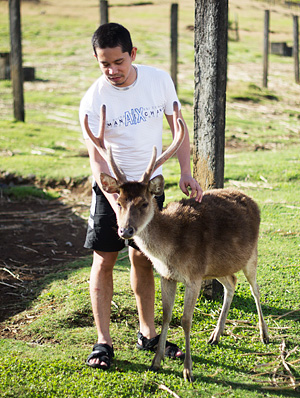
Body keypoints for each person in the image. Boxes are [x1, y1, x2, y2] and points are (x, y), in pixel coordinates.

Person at [79, 22, 203, 370]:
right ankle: (103, 342)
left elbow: (178, 129)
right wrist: (114, 197)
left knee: (143, 259)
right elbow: (96, 156)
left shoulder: (158, 80)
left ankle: (148, 333)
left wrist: (185, 172)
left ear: (133, 54)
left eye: (118, 62)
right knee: (104, 259)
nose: (112, 71)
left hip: (148, 190)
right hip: (114, 190)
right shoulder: (93, 98)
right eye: (104, 64)